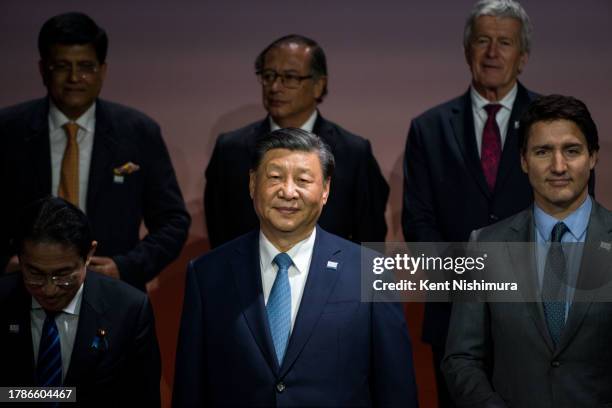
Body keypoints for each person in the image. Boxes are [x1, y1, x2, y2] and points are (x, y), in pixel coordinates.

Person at [174, 128, 418, 407]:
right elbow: (190, 389)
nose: (288, 192)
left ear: (325, 190)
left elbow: (396, 389)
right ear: (252, 183)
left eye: (303, 180)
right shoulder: (207, 274)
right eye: (275, 177)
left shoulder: (370, 271)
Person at [401, 1, 541, 404]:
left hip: (534, 317)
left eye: (505, 42)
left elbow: (571, 213)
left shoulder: (552, 124)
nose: (492, 53)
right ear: (467, 51)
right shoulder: (429, 128)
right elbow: (418, 221)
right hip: (453, 319)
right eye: (482, 41)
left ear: (523, 56)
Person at [0, 12, 190, 291]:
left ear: (103, 70)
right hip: (23, 290)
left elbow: (173, 221)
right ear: (43, 69)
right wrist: (5, 263)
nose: (75, 77)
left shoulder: (138, 132)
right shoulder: (7, 131)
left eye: (86, 66)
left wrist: (125, 267)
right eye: (62, 66)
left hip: (111, 293)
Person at [443, 94, 611, 407]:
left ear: (592, 157)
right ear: (523, 160)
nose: (558, 166)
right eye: (543, 151)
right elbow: (461, 359)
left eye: (571, 150)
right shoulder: (485, 246)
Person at [204, 34, 389, 248]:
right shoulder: (230, 149)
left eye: (289, 78)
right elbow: (220, 236)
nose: (274, 87)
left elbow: (370, 240)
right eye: (268, 75)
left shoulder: (354, 152)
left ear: (319, 85)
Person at [0, 197, 161, 406]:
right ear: (19, 259)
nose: (49, 289)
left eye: (63, 274)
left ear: (89, 254)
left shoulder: (129, 311)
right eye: (35, 273)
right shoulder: (4, 300)